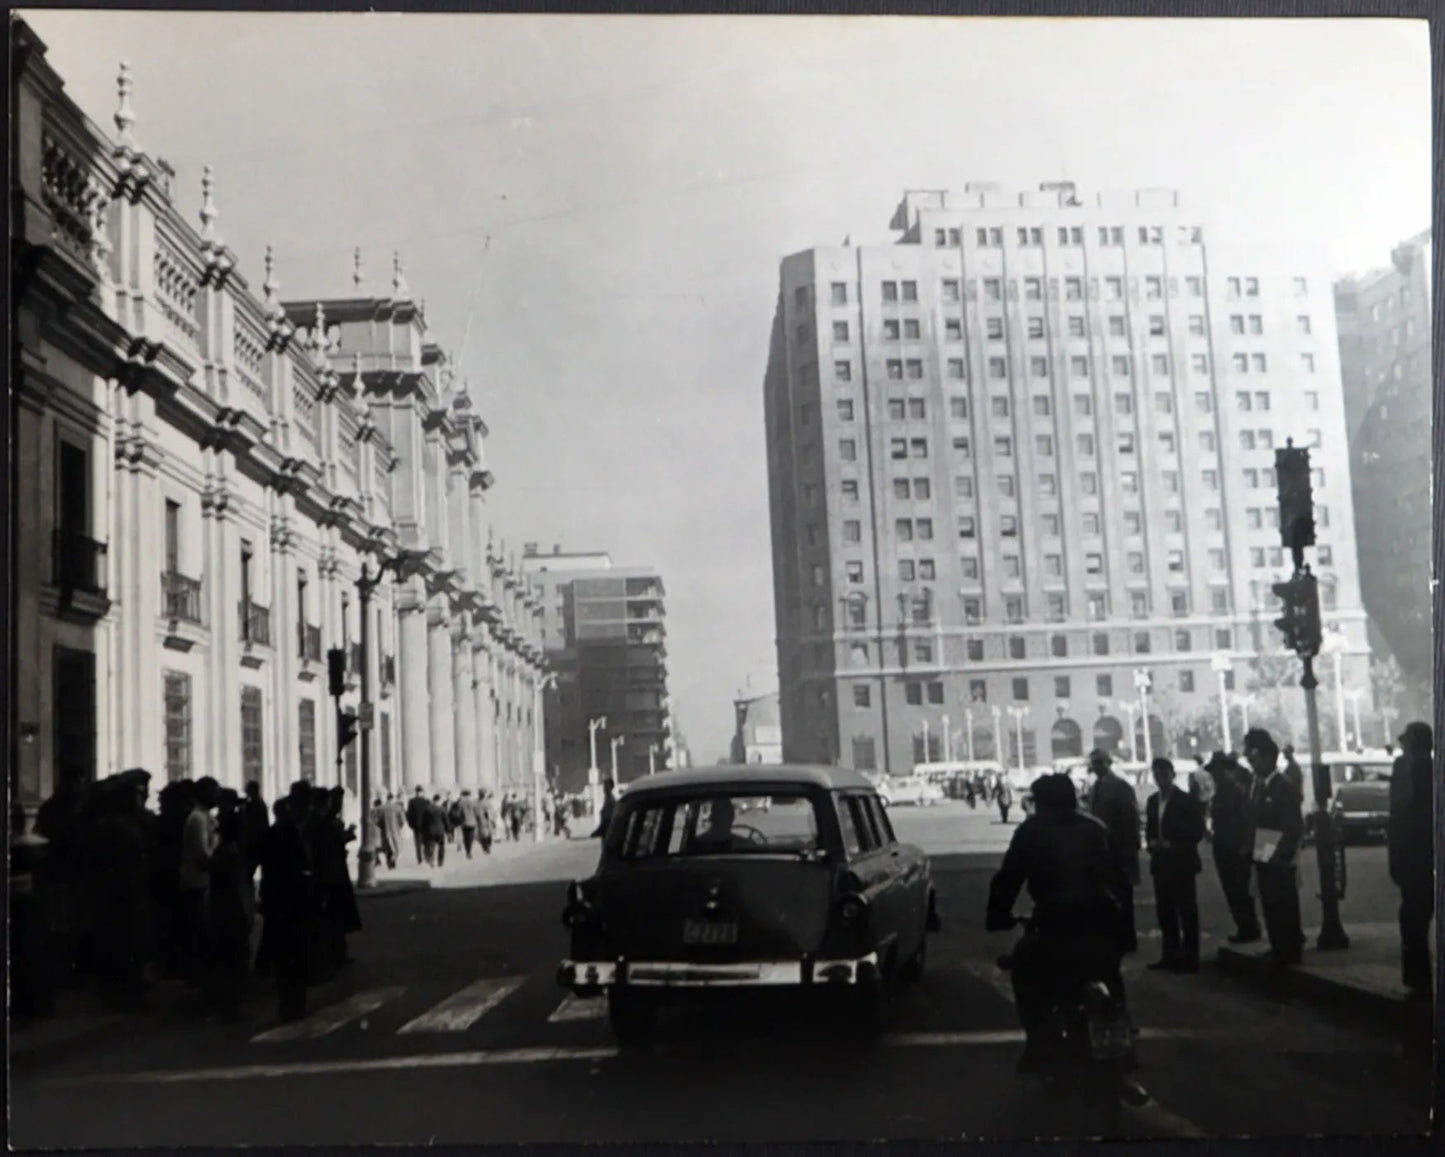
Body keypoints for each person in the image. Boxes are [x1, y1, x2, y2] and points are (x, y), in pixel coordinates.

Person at [986, 774, 1133, 1076]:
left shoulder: (1032, 831)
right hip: (1102, 925)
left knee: (1025, 972)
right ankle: (1123, 1046)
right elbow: (1121, 882)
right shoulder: (1097, 828)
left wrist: (998, 916)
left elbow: (1008, 880)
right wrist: (1125, 932)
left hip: (1055, 924)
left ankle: (1041, 1042)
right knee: (1112, 981)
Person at [83, 769, 154, 1011]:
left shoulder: (126, 822)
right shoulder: (114, 824)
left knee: (129, 944)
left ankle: (127, 992)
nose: (143, 797)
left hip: (126, 892)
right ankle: (121, 995)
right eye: (138, 793)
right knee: (120, 944)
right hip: (117, 893)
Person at [1243, 728, 1304, 967]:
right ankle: (1278, 946)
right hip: (1264, 848)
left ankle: (1289, 949)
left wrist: (1278, 856)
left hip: (1278, 855)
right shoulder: (1258, 787)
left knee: (1283, 903)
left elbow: (1292, 827)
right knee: (1269, 903)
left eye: (1254, 756)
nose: (1250, 761)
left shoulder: (1283, 787)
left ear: (1269, 757)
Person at [1144, 757, 1207, 973]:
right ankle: (1169, 955)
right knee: (1165, 911)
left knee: (1186, 910)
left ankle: (1190, 958)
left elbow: (1197, 830)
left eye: (1163, 774)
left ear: (1172, 774)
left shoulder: (1186, 800)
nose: (1160, 779)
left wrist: (1175, 842)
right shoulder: (1153, 801)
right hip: (1161, 861)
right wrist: (1153, 844)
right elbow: (1150, 828)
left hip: (1181, 860)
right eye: (1156, 775)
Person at [260, 782, 316, 1023]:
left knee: (292, 957)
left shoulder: (287, 829)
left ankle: (293, 1005)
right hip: (287, 903)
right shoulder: (286, 830)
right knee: (290, 957)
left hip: (286, 902)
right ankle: (291, 1006)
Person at [1388, 722, 1434, 997]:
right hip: (1425, 859)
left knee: (1412, 921)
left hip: (1414, 861)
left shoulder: (1407, 772)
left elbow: (1401, 818)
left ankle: (1418, 982)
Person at [1086, 749, 1141, 954]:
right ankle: (1112, 938)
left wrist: (1130, 850)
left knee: (1122, 897)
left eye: (1101, 763)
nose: (1097, 767)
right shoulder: (1094, 788)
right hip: (1101, 850)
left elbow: (1130, 819)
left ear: (1108, 763)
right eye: (1094, 763)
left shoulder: (1120, 787)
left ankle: (1127, 940)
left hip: (1119, 849)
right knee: (1104, 896)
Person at [1204, 752, 1262, 944]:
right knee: (1231, 890)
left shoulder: (1234, 791)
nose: (1214, 774)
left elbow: (1246, 820)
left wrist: (1246, 845)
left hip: (1235, 847)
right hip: (1223, 845)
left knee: (1239, 891)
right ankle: (1245, 926)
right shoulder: (1220, 792)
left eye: (1217, 770)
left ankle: (1249, 928)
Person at [204, 806, 254, 1021]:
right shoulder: (231, 852)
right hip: (231, 910)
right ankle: (231, 1007)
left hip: (225, 910)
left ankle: (229, 1007)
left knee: (227, 961)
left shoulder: (225, 852)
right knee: (233, 961)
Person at [179, 776, 221, 986]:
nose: (217, 796)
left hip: (202, 881)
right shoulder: (198, 819)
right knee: (199, 929)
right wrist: (219, 850)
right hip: (197, 882)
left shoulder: (205, 817)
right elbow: (203, 855)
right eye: (214, 791)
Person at [241, 781, 270, 879]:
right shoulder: (261, 804)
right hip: (258, 840)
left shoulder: (253, 805)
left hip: (253, 842)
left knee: (247, 873)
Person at [405, 787, 430, 865]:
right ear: (421, 792)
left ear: (415, 792)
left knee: (417, 843)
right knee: (426, 841)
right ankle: (426, 856)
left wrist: (410, 824)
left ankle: (419, 859)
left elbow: (408, 814)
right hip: (425, 825)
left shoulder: (411, 801)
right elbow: (429, 813)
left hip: (416, 825)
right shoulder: (426, 801)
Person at [424, 794, 448, 867]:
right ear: (439, 800)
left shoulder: (427, 809)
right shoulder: (442, 809)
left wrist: (424, 830)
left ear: (433, 800)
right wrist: (448, 830)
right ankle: (440, 862)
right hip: (440, 831)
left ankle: (432, 860)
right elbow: (446, 821)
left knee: (431, 846)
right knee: (441, 846)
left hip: (431, 831)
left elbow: (424, 821)